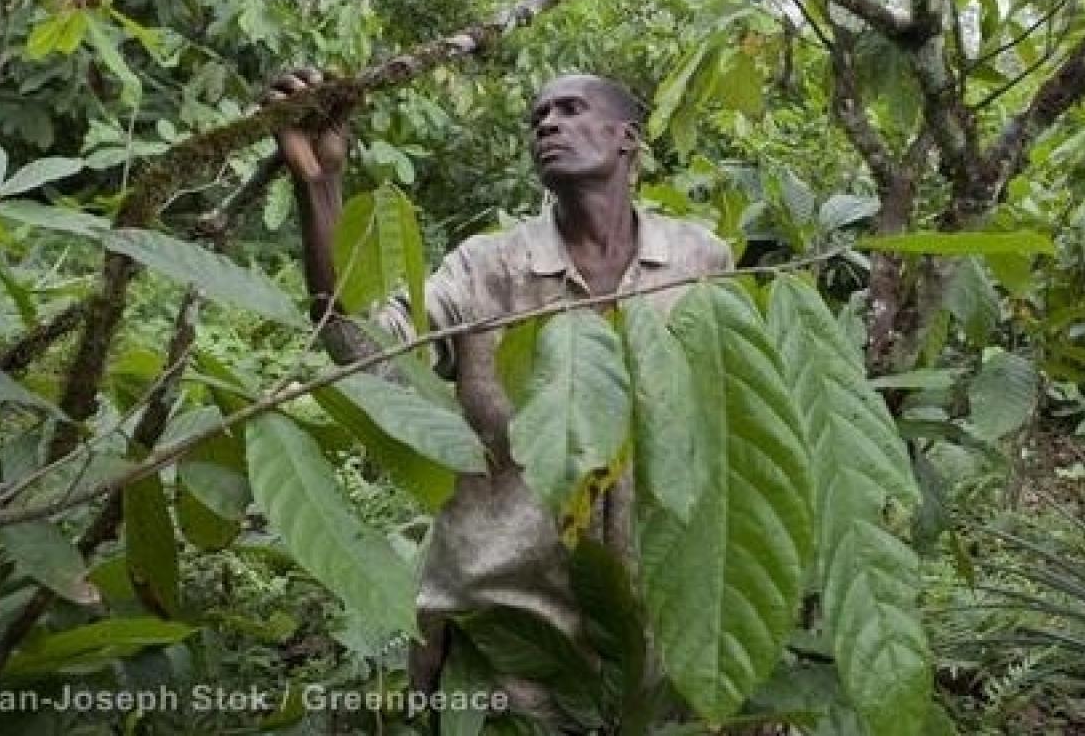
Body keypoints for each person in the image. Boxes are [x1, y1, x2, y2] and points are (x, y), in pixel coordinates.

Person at [263, 68, 733, 717]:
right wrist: (320, 185)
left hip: (655, 656)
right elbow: (367, 352)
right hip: (500, 654)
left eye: (570, 109)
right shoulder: (487, 269)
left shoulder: (702, 263)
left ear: (628, 137)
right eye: (538, 115)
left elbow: (734, 430)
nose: (547, 124)